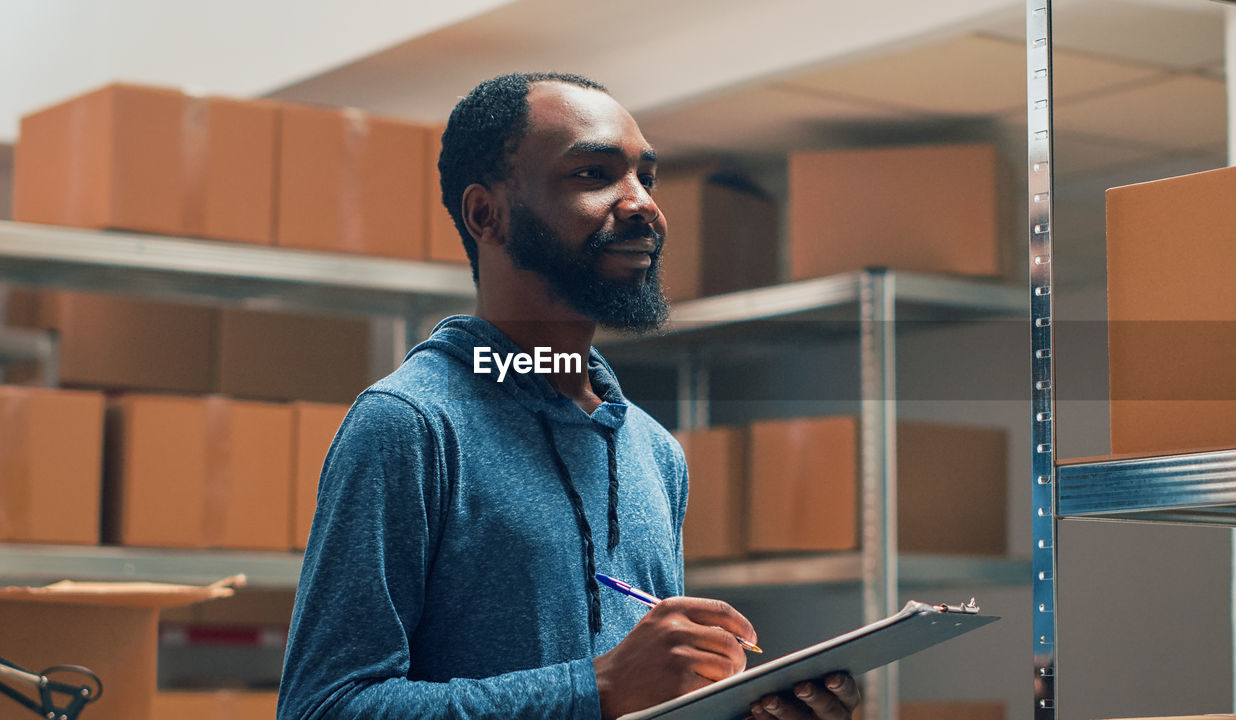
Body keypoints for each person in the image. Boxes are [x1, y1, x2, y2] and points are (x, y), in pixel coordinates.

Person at [276, 71, 861, 720]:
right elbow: (324, 708)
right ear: (486, 214)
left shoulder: (654, 452)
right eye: (593, 175)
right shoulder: (409, 427)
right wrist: (598, 685)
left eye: (647, 176)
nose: (641, 203)